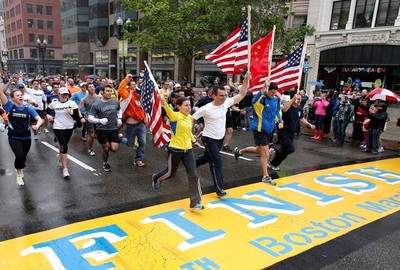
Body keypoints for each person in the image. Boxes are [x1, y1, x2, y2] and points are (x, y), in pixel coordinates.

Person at [193, 72, 251, 197]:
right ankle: (219, 188)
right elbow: (191, 119)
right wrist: (190, 135)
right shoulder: (206, 108)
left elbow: (242, 94)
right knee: (217, 162)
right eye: (221, 95)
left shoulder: (226, 103)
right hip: (209, 138)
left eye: (225, 95)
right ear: (213, 95)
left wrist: (246, 80)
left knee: (207, 158)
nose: (224, 97)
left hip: (220, 138)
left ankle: (190, 164)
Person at [152, 95, 204, 211]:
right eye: (185, 105)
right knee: (171, 173)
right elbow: (167, 109)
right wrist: (163, 101)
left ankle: (195, 203)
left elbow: (188, 132)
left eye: (189, 105)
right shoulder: (174, 116)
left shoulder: (189, 117)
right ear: (178, 106)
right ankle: (156, 178)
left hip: (188, 150)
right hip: (175, 150)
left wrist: (194, 141)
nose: (188, 107)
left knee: (193, 175)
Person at [233, 81, 283, 186]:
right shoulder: (261, 98)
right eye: (271, 92)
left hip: (270, 129)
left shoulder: (275, 100)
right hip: (259, 129)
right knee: (266, 154)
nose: (273, 94)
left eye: (275, 92)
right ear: (267, 90)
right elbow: (254, 101)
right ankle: (265, 176)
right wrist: (263, 88)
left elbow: (277, 111)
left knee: (259, 150)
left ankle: (240, 151)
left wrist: (280, 121)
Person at [0, 85, 44, 185]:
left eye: (21, 95)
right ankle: (19, 174)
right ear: (12, 98)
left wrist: (37, 125)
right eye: (17, 95)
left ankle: (19, 167)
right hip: (14, 137)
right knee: (19, 155)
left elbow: (40, 119)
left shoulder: (28, 108)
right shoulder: (9, 106)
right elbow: (1, 92)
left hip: (26, 137)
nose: (20, 97)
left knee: (23, 157)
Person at [268, 93, 315, 171]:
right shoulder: (288, 107)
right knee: (290, 149)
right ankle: (274, 150)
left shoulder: (299, 109)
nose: (300, 101)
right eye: (298, 99)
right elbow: (284, 109)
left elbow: (302, 118)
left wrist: (310, 125)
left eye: (300, 99)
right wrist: (293, 99)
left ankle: (273, 163)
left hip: (291, 132)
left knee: (285, 151)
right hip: (283, 131)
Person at [48, 87, 82, 179]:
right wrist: (48, 115)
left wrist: (71, 112)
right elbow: (45, 111)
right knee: (64, 146)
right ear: (59, 94)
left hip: (69, 127)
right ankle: (65, 169)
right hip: (58, 127)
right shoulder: (54, 104)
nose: (65, 96)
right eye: (63, 94)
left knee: (64, 144)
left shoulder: (72, 103)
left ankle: (61, 156)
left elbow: (77, 117)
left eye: (66, 94)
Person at [88, 85, 121, 172]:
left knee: (114, 149)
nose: (109, 93)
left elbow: (119, 110)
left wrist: (119, 118)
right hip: (101, 129)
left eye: (111, 91)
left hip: (113, 129)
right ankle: (105, 163)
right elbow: (90, 118)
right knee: (106, 148)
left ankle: (107, 145)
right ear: (102, 92)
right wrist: (99, 120)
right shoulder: (96, 104)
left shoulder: (115, 102)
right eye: (107, 91)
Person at [117, 74, 147, 167]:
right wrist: (126, 79)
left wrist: (145, 118)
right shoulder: (128, 96)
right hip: (130, 126)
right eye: (139, 93)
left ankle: (138, 159)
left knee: (143, 142)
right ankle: (118, 138)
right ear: (137, 92)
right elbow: (120, 90)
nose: (141, 95)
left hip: (140, 125)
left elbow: (143, 110)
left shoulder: (142, 100)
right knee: (130, 144)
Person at [78, 82, 100, 156]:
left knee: (100, 134)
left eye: (93, 86)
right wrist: (81, 117)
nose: (92, 88)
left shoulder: (99, 97)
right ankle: (90, 149)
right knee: (92, 135)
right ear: (87, 89)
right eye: (90, 87)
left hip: (98, 119)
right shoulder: (84, 99)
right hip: (88, 118)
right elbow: (78, 109)